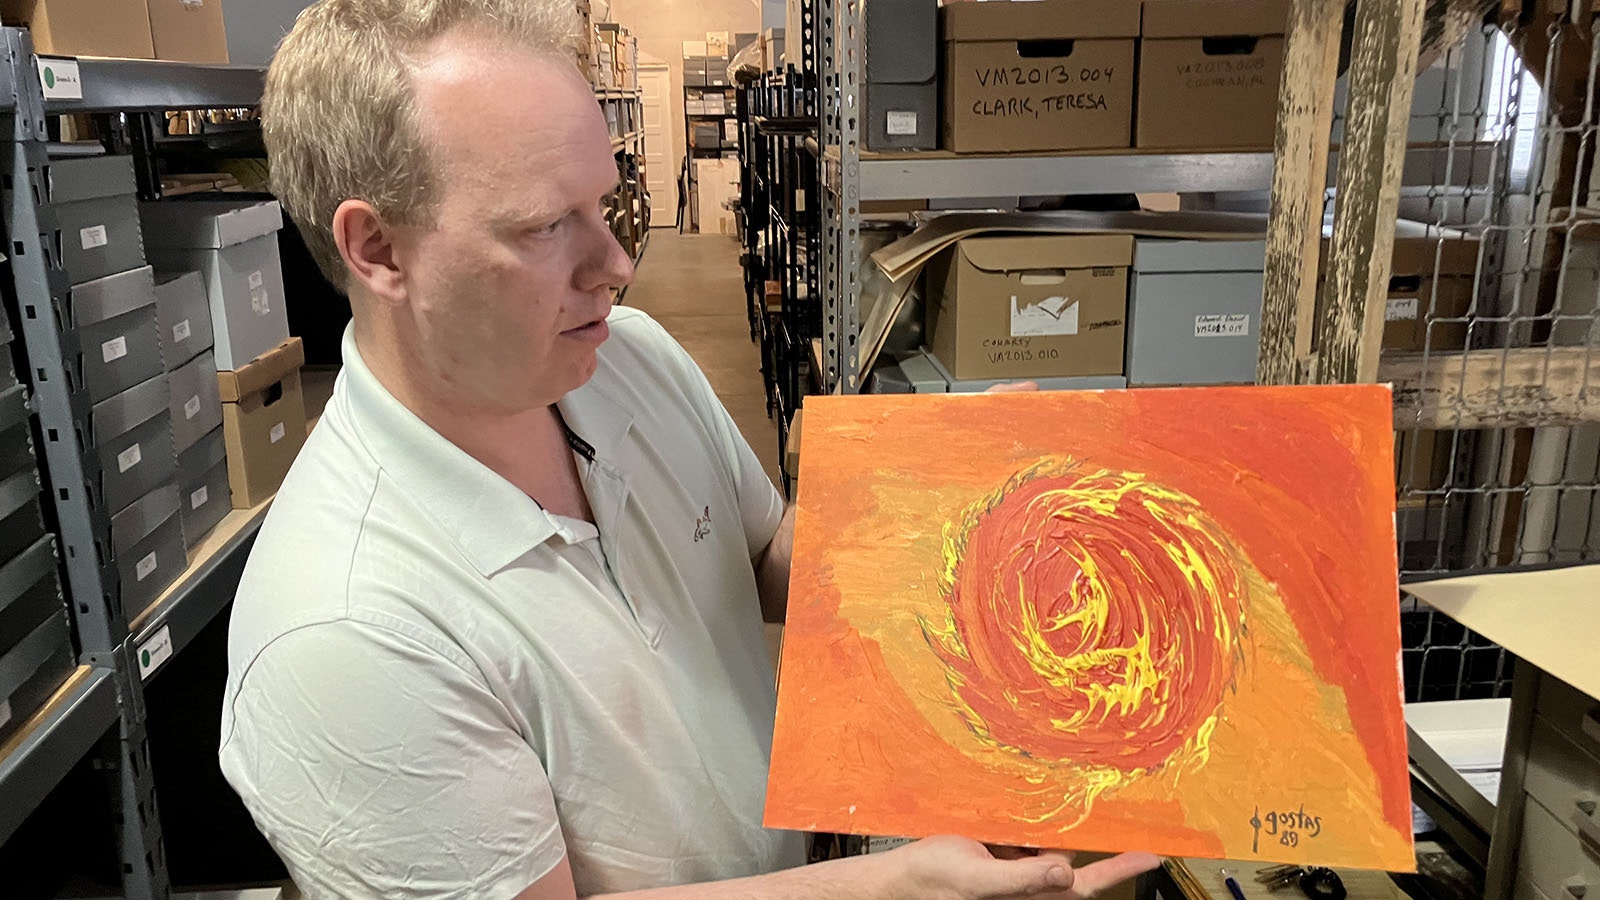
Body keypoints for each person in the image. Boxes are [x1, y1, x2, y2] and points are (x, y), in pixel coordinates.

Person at [217, 1, 1160, 898]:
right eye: (548, 226)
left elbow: (758, 557)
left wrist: (934, 511)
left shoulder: (630, 362)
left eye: (604, 202)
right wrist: (890, 888)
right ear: (378, 248)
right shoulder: (342, 635)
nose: (616, 264)